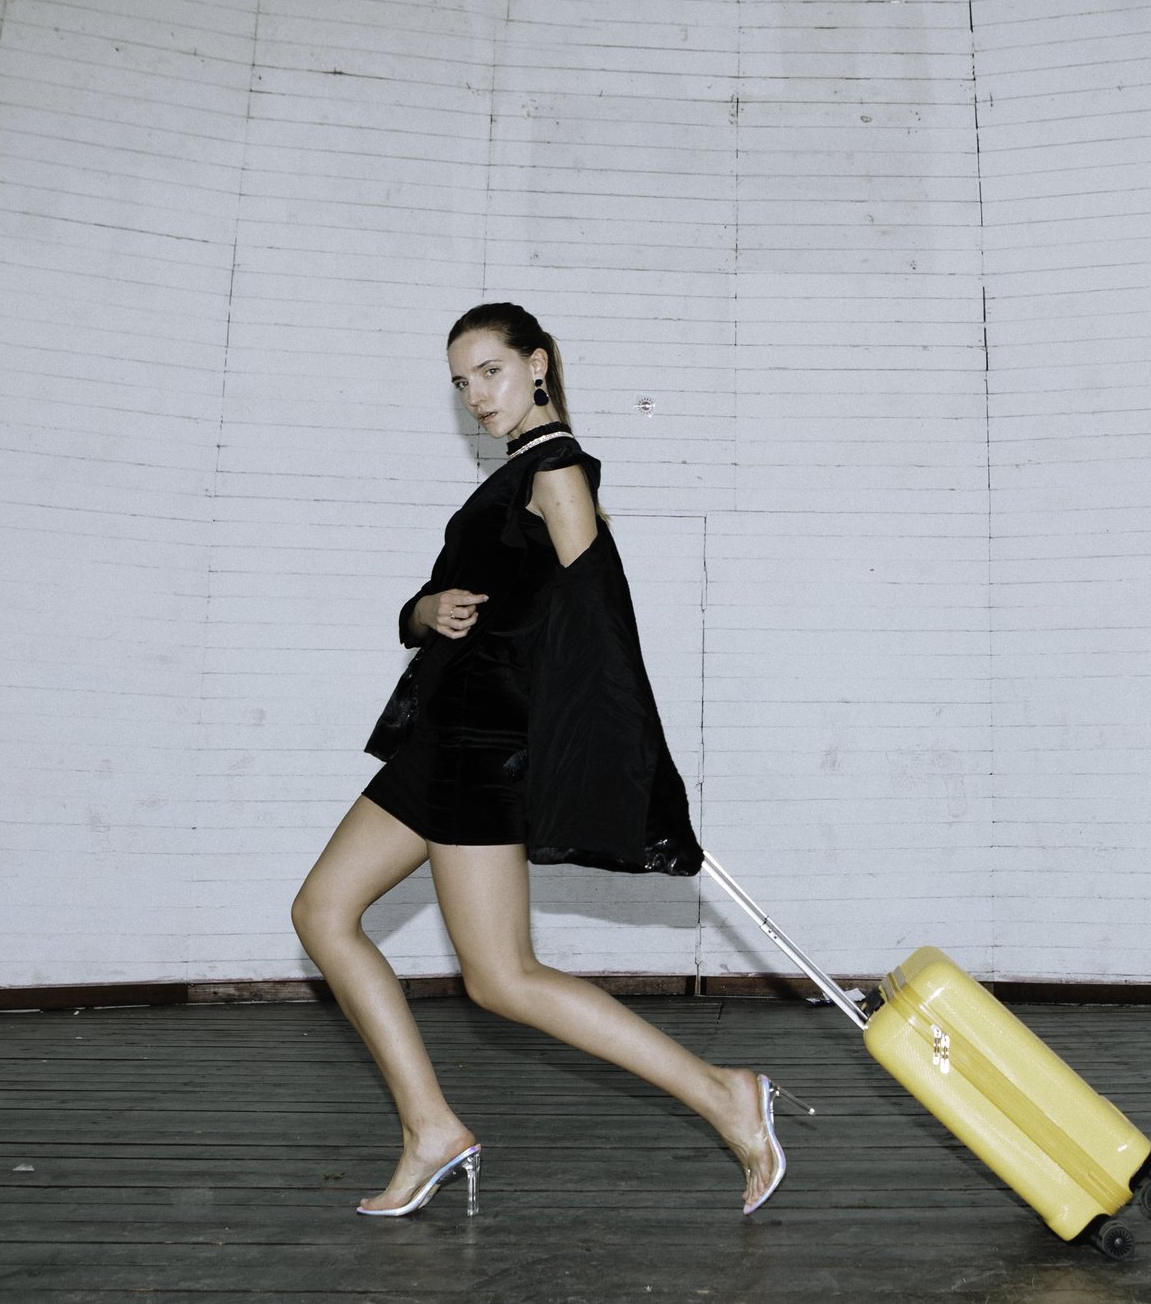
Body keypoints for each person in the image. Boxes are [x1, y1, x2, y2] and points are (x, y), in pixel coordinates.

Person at [291, 301, 800, 1219]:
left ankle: (727, 1095)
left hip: (487, 749)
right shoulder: (514, 471)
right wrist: (426, 610)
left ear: (537, 364)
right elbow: (431, 605)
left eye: (488, 370)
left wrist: (631, 767)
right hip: (439, 737)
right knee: (323, 912)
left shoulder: (555, 467)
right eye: (460, 381)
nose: (475, 394)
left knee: (501, 978)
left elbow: (601, 629)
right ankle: (431, 1128)